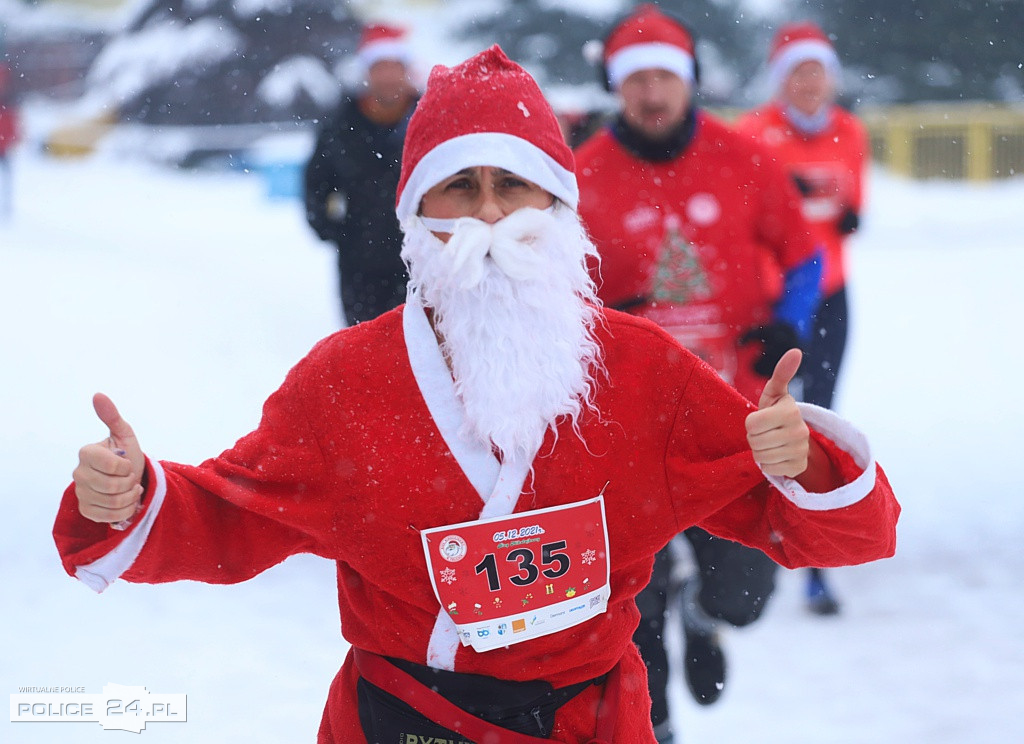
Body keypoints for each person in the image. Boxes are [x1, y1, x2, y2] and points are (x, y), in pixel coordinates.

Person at [55, 46, 899, 744]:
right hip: (403, 716)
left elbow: (833, 528)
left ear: (558, 203)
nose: (489, 216)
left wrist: (805, 464)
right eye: (459, 188)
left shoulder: (644, 371)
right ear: (416, 211)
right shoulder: (345, 382)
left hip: (590, 720)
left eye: (513, 185)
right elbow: (232, 513)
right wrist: (130, 498)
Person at [573, 5, 824, 738]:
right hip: (626, 427)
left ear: (690, 81)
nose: (651, 93)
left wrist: (790, 321)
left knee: (747, 589)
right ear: (614, 86)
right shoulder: (579, 176)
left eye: (665, 77)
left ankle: (707, 615)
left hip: (733, 418)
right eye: (635, 80)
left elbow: (805, 255)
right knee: (629, 604)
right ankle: (653, 724)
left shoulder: (745, 159)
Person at [735, 21, 870, 616]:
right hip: (774, 300)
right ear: (780, 80)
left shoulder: (849, 131)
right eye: (798, 72)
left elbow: (851, 204)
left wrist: (844, 217)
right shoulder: (753, 134)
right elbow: (741, 223)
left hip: (833, 293)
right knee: (762, 413)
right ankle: (750, 527)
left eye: (818, 72)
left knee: (824, 410)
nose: (810, 83)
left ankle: (818, 541)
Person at [304, 22, 419, 326]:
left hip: (421, 257)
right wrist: (330, 229)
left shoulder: (428, 116)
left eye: (395, 67)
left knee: (420, 345)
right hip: (360, 258)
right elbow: (317, 181)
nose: (389, 77)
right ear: (368, 72)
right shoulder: (341, 122)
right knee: (362, 344)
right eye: (380, 67)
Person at [0, 62, 18, 219]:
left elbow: (12, 124)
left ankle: (6, 207)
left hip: (4, 147)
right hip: (4, 145)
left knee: (6, 178)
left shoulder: (9, 103)